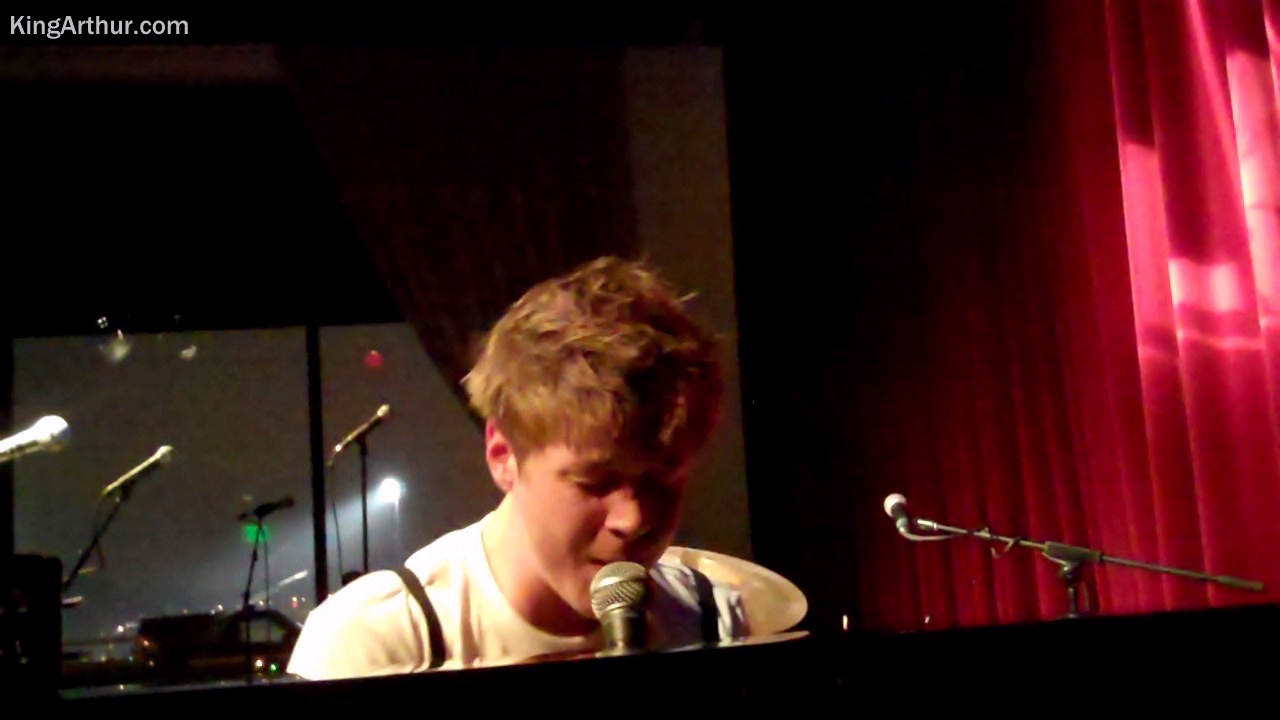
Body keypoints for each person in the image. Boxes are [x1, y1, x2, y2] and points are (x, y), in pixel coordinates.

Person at [286, 256, 749, 679]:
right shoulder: (372, 646)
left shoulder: (716, 620)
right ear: (503, 455)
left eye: (664, 476)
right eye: (595, 481)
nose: (634, 518)